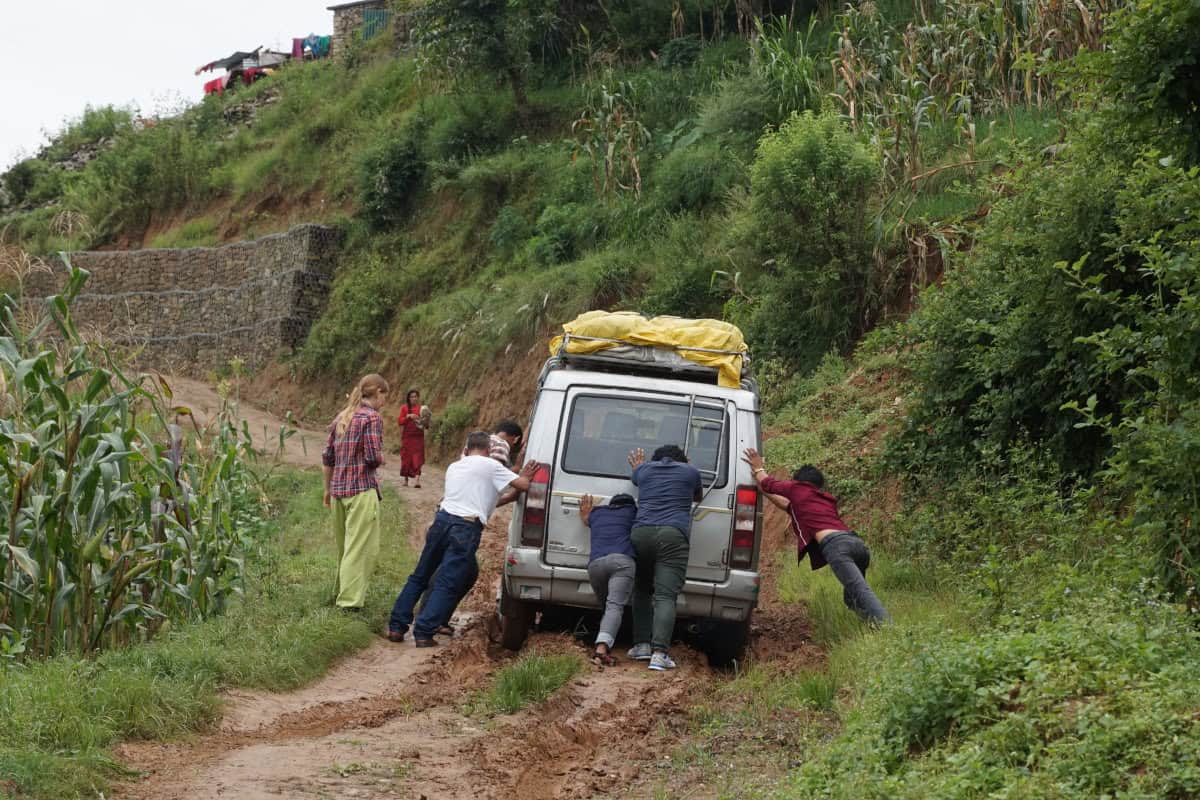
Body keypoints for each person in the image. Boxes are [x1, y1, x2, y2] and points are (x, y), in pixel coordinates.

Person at [388, 431, 538, 646]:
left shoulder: (455, 466)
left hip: (442, 521)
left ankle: (396, 626)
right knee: (447, 581)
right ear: (487, 450)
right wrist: (525, 473)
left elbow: (482, 500)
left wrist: (511, 490)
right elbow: (523, 485)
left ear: (466, 449)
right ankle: (423, 632)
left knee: (420, 576)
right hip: (465, 528)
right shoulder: (490, 466)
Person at [742, 448, 888, 624]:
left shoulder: (798, 488)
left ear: (799, 482)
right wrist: (763, 491)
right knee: (852, 599)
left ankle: (888, 628)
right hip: (857, 545)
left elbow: (769, 483)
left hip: (836, 547)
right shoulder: (824, 499)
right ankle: (873, 629)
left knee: (860, 591)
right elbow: (787, 505)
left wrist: (758, 469)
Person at [422, 419, 528, 637]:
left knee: (463, 571)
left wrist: (509, 493)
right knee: (450, 572)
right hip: (462, 523)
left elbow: (487, 495)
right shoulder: (500, 447)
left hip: (449, 515)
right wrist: (519, 474)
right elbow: (504, 477)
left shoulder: (484, 445)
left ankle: (433, 617)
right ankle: (429, 620)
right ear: (515, 439)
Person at [626, 445, 702, 672]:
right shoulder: (690, 472)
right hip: (672, 534)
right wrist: (687, 465)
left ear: (655, 459)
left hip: (641, 532)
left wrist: (640, 465)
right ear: (682, 460)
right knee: (665, 596)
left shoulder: (644, 470)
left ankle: (641, 645)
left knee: (641, 588)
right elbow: (696, 495)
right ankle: (659, 654)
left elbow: (636, 477)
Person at [322, 374, 389, 611]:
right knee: (361, 549)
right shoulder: (372, 418)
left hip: (339, 491)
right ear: (378, 393)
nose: (384, 401)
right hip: (361, 490)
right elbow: (372, 457)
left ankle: (340, 592)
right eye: (384, 396)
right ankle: (349, 603)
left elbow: (328, 458)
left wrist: (327, 490)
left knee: (344, 548)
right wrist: (383, 457)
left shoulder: (342, 416)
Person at [580, 493, 638, 667]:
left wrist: (584, 513)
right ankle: (601, 650)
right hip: (622, 562)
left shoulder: (597, 513)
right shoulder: (634, 513)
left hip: (595, 565)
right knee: (615, 606)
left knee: (607, 606)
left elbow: (585, 519)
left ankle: (606, 638)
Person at [397, 388, 426, 489]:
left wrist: (420, 420)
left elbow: (427, 424)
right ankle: (406, 480)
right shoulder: (404, 408)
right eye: (411, 397)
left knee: (418, 458)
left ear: (418, 398)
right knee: (406, 458)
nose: (413, 398)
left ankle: (417, 481)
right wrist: (408, 417)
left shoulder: (422, 409)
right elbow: (400, 422)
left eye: (415, 397)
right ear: (408, 398)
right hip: (407, 437)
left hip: (418, 437)